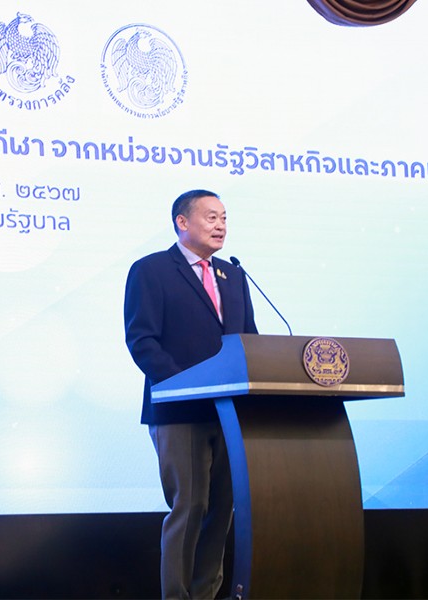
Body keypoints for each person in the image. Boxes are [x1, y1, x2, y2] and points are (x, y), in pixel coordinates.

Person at [123, 189, 257, 600]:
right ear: (182, 222)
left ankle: (205, 595)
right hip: (179, 412)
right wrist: (184, 387)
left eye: (224, 218)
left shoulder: (233, 276)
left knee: (221, 511)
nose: (221, 225)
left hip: (228, 414)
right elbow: (142, 340)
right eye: (211, 217)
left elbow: (249, 341)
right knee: (191, 506)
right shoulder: (151, 270)